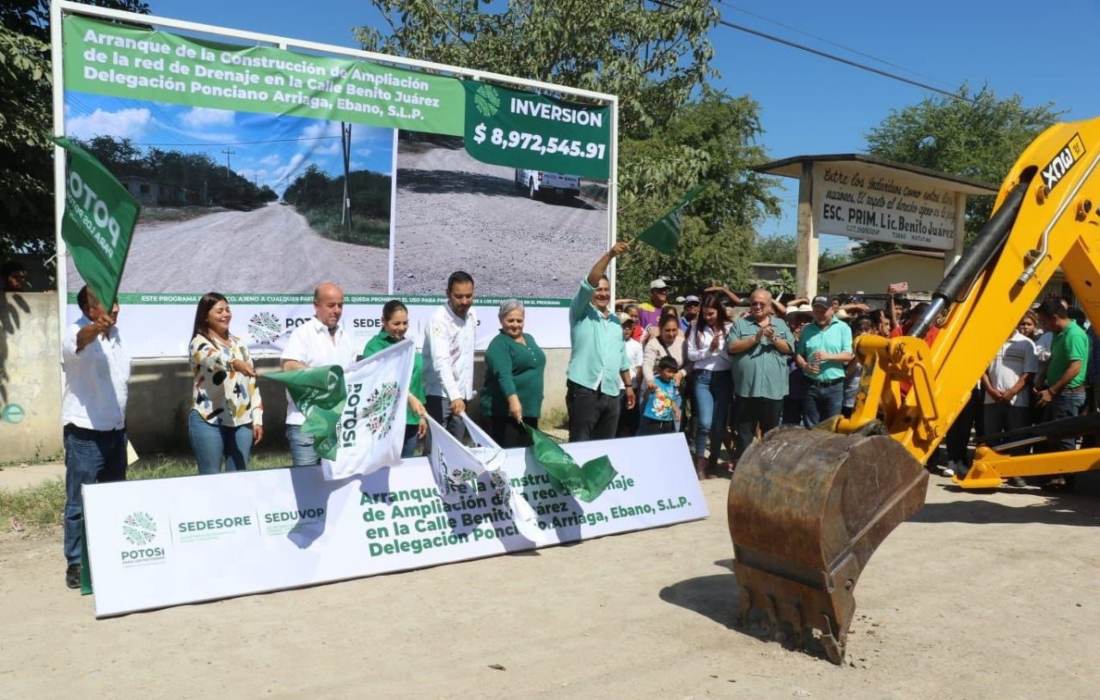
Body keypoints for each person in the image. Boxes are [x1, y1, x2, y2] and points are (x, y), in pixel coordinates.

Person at [61, 286, 130, 589]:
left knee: (114, 498)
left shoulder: (117, 336)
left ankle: (108, 552)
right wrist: (94, 329)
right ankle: (76, 562)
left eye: (116, 301)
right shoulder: (74, 332)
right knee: (79, 502)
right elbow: (79, 342)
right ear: (89, 308)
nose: (115, 308)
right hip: (85, 432)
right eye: (107, 303)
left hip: (116, 431)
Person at [281, 282, 358, 466]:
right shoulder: (303, 334)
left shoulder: (346, 338)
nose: (337, 310)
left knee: (336, 486)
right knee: (307, 487)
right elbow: (289, 366)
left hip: (337, 426)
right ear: (316, 305)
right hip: (305, 424)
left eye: (340, 305)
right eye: (331, 305)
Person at [188, 293, 263, 474]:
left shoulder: (239, 344)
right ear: (205, 316)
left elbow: (252, 383)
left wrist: (257, 418)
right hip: (208, 420)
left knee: (238, 479)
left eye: (228, 310)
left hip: (242, 421)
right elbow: (214, 358)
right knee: (210, 478)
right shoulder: (198, 343)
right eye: (219, 311)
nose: (225, 314)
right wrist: (234, 364)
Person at [566, 242, 635, 442]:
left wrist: (628, 387)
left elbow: (621, 358)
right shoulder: (581, 312)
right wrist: (611, 254)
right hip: (585, 389)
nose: (602, 293)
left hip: (612, 392)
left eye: (606, 290)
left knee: (605, 446)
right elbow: (590, 282)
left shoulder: (615, 321)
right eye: (598, 289)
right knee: (580, 443)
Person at [728, 288, 794, 462]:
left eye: (761, 303)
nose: (757, 306)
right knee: (744, 432)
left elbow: (790, 349)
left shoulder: (780, 324)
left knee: (771, 433)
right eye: (754, 303)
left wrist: (775, 339)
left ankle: (766, 466)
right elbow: (732, 347)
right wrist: (754, 339)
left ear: (770, 305)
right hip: (746, 389)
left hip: (773, 389)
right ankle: (743, 467)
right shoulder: (740, 324)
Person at [362, 300, 427, 458]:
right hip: (386, 422)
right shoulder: (374, 347)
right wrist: (409, 398)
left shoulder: (409, 345)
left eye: (405, 323)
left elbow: (417, 381)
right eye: (396, 323)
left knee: (405, 471)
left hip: (410, 419)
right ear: (383, 321)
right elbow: (382, 381)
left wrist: (421, 416)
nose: (401, 328)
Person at [480, 299, 546, 448]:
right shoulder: (499, 344)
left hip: (529, 412)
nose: (515, 325)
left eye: (519, 320)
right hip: (505, 414)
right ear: (501, 320)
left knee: (527, 457)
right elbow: (504, 375)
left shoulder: (529, 338)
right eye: (510, 320)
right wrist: (514, 402)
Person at [423, 271, 478, 441]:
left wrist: (463, 394)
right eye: (458, 296)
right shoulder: (438, 320)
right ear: (448, 293)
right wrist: (454, 396)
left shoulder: (471, 314)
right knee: (437, 447)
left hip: (461, 395)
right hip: (439, 395)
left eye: (468, 296)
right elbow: (441, 361)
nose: (464, 301)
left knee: (458, 447)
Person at [685, 293, 733, 479]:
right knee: (704, 423)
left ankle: (712, 462)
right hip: (702, 377)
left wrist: (720, 351)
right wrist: (709, 350)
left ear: (719, 312)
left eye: (711, 314)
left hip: (723, 377)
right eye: (705, 314)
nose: (707, 317)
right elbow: (691, 355)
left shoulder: (729, 328)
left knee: (719, 425)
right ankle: (700, 463)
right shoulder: (695, 327)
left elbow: (732, 356)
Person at [1035, 299, 1089, 454]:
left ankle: (1067, 478)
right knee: (1052, 437)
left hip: (1068, 394)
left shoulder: (1074, 335)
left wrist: (1051, 392)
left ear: (1054, 318)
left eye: (1043, 321)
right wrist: (1041, 378)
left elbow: (1075, 367)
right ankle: (1057, 475)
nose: (1042, 326)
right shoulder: (1058, 334)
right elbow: (1054, 358)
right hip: (1059, 393)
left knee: (1065, 440)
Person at [796, 295, 854, 426]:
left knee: (831, 426)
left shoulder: (843, 328)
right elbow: (799, 354)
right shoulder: (807, 329)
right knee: (810, 425)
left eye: (823, 311)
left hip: (834, 386)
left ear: (832, 309)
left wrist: (828, 356)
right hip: (811, 385)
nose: (820, 314)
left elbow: (848, 355)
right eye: (816, 311)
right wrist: (805, 366)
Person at [981, 322, 1038, 450]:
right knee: (992, 441)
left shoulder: (1026, 343)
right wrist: (990, 390)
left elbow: (1029, 373)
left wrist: (1012, 392)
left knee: (1018, 442)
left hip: (1018, 402)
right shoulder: (989, 341)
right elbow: (981, 371)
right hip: (991, 400)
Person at [638, 356, 682, 436]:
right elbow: (645, 397)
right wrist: (649, 390)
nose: (671, 375)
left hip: (667, 419)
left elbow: (671, 399)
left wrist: (676, 409)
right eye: (668, 371)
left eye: (673, 372)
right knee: (652, 441)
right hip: (652, 419)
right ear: (659, 370)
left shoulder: (672, 383)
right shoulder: (653, 381)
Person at [617, 312, 644, 436]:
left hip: (631, 388)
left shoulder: (637, 346)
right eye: (623, 326)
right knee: (616, 420)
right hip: (615, 388)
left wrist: (636, 387)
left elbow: (639, 368)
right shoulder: (612, 344)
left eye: (629, 327)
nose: (626, 329)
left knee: (630, 421)